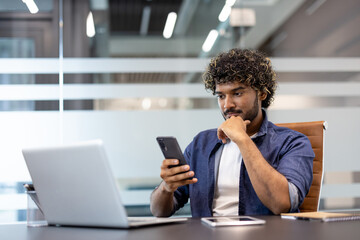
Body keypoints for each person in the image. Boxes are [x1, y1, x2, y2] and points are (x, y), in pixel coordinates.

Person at [150, 48, 314, 217]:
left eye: (237, 93)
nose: (227, 105)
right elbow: (159, 211)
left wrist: (242, 139)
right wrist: (166, 188)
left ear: (262, 93)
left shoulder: (293, 142)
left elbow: (282, 204)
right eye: (221, 96)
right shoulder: (201, 143)